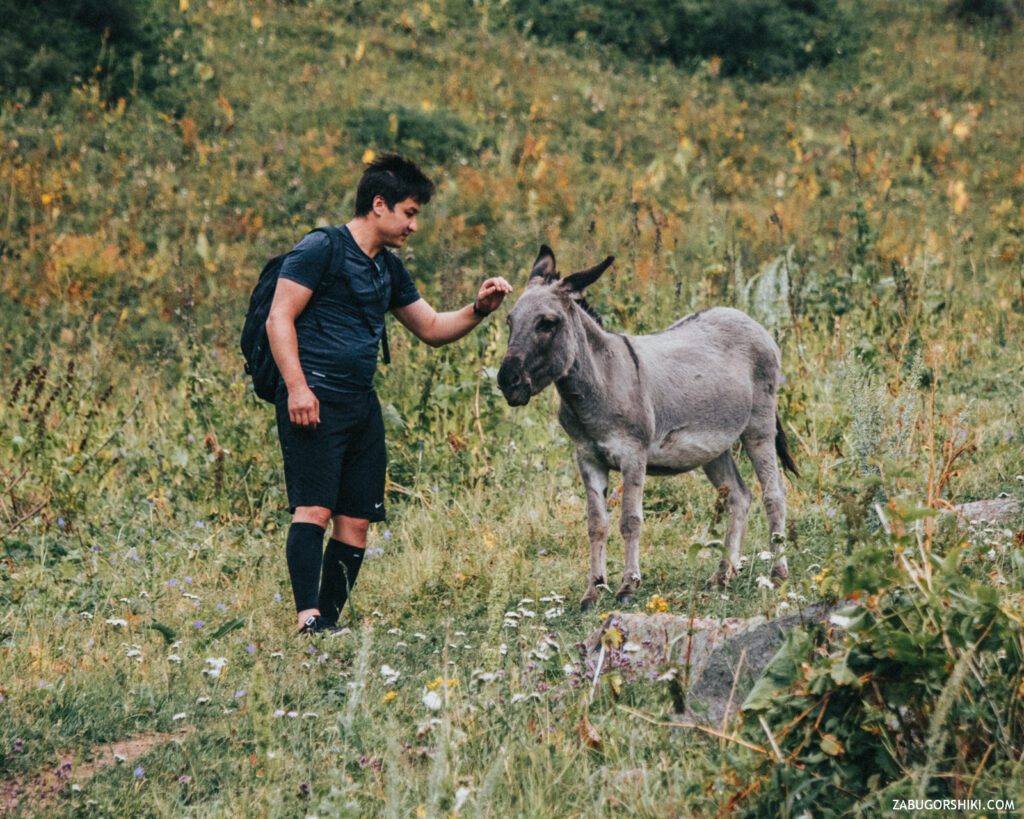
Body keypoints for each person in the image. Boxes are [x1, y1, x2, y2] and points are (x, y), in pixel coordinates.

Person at [266, 154, 512, 634]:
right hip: (312, 396)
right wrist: (297, 388)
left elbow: (433, 327)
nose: (413, 225)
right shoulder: (321, 249)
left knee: (355, 519)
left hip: (360, 401)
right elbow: (280, 317)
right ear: (379, 205)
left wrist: (479, 308)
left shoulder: (388, 268)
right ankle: (306, 618)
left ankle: (327, 627)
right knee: (314, 508)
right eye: (410, 212)